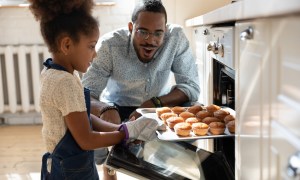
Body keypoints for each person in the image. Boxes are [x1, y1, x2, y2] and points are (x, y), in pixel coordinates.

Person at [28, 0, 158, 179]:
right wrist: (125, 134)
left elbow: (81, 116)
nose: (95, 54)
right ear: (66, 45)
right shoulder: (65, 82)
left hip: (67, 164)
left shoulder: (53, 72)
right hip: (71, 172)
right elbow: (86, 139)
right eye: (91, 46)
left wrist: (121, 128)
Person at [82, 0, 200, 179]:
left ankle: (161, 163)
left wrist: (154, 103)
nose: (150, 40)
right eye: (142, 31)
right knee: (85, 117)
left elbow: (191, 86)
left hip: (157, 108)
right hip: (117, 108)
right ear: (131, 27)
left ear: (165, 31)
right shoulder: (109, 45)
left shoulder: (176, 38)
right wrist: (106, 109)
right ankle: (110, 163)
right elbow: (85, 93)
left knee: (193, 108)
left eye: (157, 33)